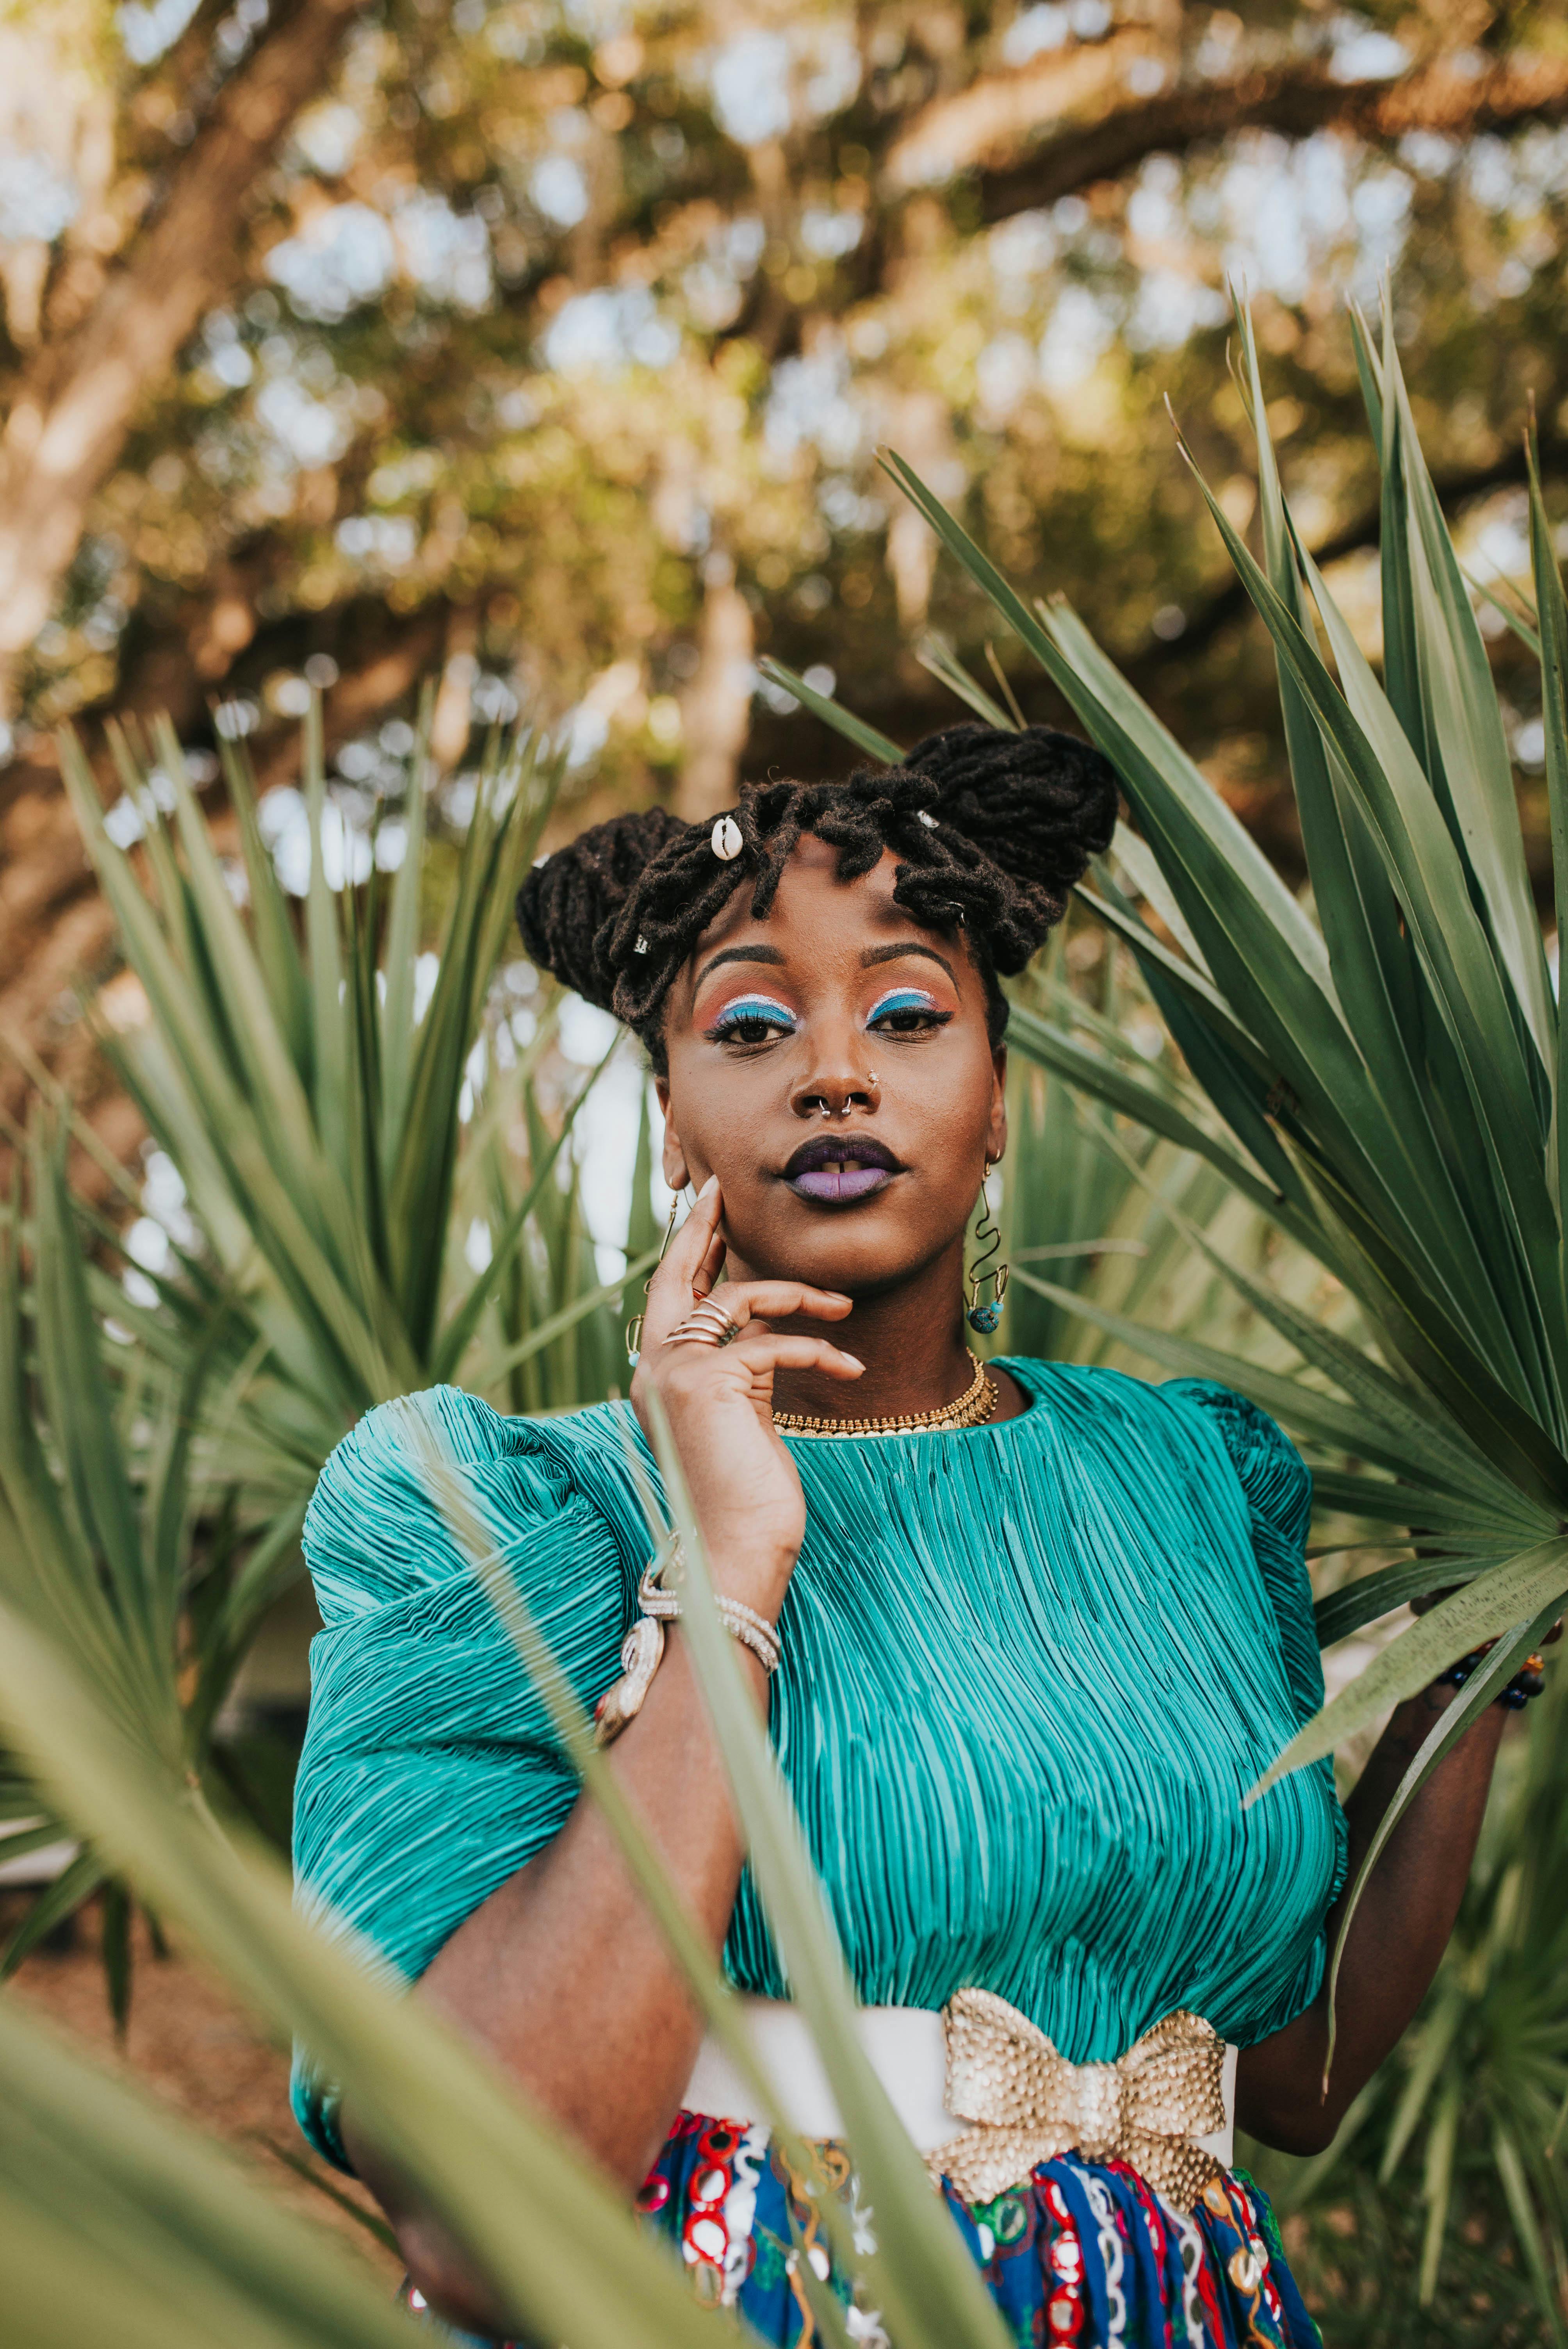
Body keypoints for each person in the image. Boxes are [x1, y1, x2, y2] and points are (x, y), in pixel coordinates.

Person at [290, 724, 1539, 2349]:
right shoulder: (494, 1511)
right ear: (670, 1117)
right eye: (750, 1024)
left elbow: (1285, 2073)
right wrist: (728, 1561)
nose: (835, 1069)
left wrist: (1484, 1619)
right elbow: (476, 2207)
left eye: (905, 1013)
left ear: (999, 1097)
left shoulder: (1189, 1479)